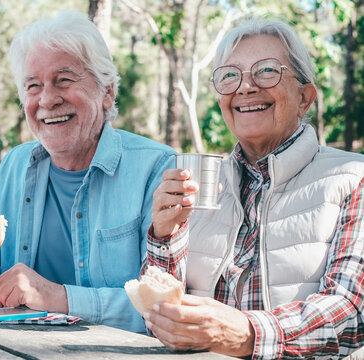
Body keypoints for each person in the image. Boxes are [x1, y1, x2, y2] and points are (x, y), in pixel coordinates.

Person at [0, 10, 175, 333]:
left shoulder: (158, 169)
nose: (47, 99)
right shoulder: (13, 167)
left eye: (63, 80)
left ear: (108, 92)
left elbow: (171, 308)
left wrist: (59, 297)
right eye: (33, 86)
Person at [142, 17, 364, 359]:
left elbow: (350, 312)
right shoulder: (202, 184)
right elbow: (157, 318)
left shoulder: (352, 176)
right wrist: (165, 236)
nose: (244, 88)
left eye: (267, 71)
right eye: (230, 76)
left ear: (305, 98)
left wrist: (246, 334)